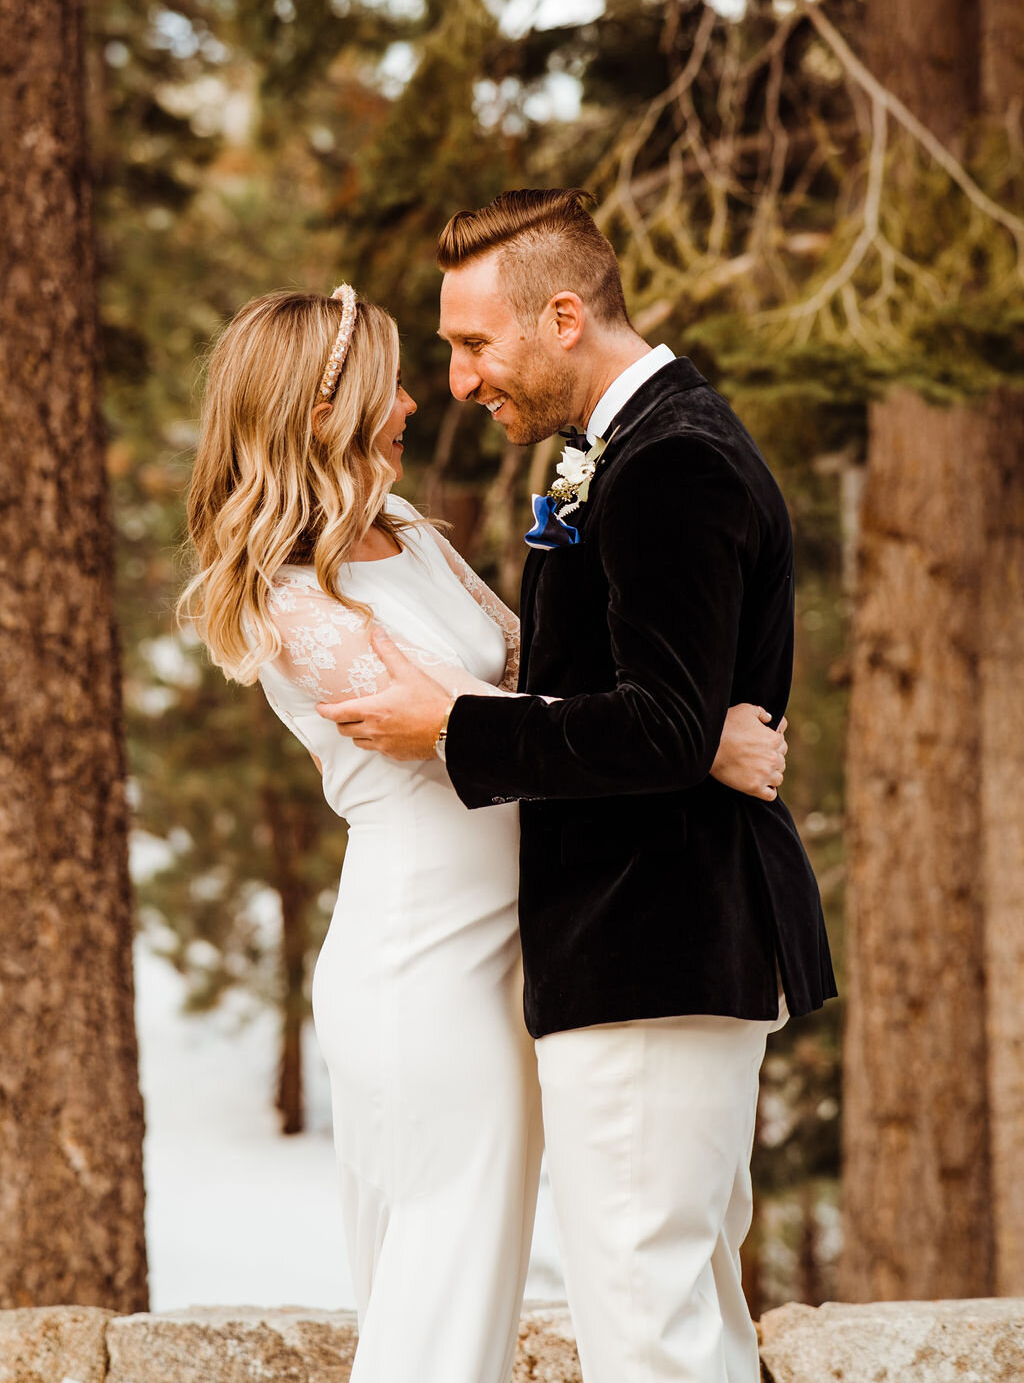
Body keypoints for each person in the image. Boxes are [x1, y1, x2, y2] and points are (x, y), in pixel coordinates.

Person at [178, 280, 789, 1383]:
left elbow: (525, 672)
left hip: (518, 944)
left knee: (491, 1271)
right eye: (387, 386)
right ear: (320, 413)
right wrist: (696, 741)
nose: (417, 401)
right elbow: (439, 730)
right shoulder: (282, 595)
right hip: (422, 960)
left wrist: (657, 709)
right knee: (443, 1284)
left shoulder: (404, 532)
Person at [317, 190, 837, 1383]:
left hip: (649, 939)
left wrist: (452, 728)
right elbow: (661, 712)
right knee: (674, 1310)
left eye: (472, 344)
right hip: (645, 948)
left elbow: (654, 728)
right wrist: (699, 736)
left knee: (643, 1322)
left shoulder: (670, 465)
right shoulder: (638, 449)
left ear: (562, 317)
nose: (457, 379)